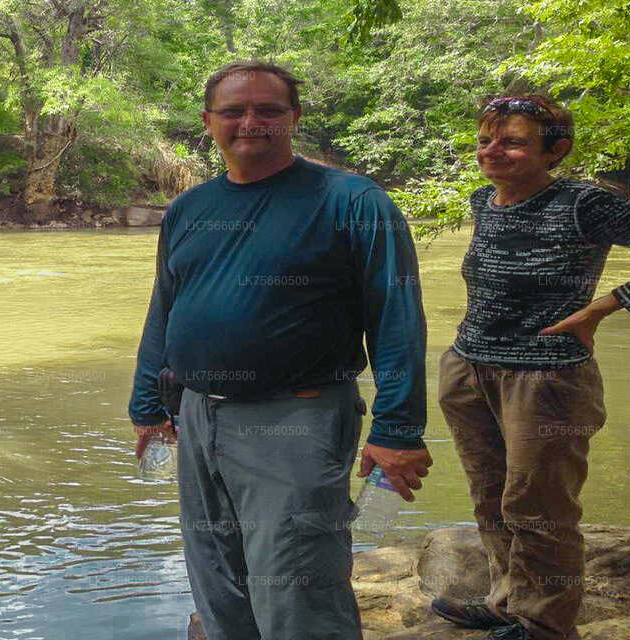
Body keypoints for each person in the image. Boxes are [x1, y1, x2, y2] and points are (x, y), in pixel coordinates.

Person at [128, 60, 434, 640]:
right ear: (208, 122)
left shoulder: (352, 201)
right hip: (195, 413)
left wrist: (398, 429)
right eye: (234, 111)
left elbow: (396, 320)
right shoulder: (191, 209)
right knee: (216, 579)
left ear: (293, 118)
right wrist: (148, 405)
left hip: (299, 415)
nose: (252, 121)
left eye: (269, 109)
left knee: (298, 587)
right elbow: (165, 308)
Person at [431, 95, 630, 640]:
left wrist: (604, 307)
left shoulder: (585, 203)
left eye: (512, 141)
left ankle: (544, 624)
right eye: (486, 140)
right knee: (491, 495)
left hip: (546, 377)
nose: (492, 152)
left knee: (538, 505)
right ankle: (509, 602)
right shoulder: (484, 200)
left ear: (556, 150)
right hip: (469, 368)